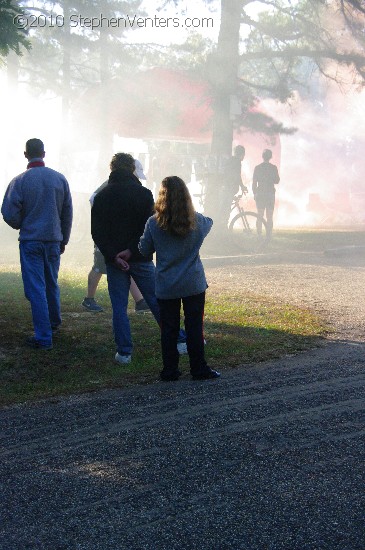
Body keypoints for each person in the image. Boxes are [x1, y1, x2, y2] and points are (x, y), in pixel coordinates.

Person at [91, 153, 186, 364]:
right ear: (132, 169)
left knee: (119, 307)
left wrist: (114, 255)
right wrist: (132, 250)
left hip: (114, 260)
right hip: (140, 257)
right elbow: (149, 227)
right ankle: (178, 340)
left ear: (112, 169)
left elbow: (97, 232)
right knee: (156, 300)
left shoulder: (102, 196)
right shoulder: (143, 194)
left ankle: (124, 352)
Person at [138, 176, 220, 382]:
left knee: (169, 329)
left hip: (167, 285)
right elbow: (210, 223)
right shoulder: (197, 221)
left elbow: (144, 249)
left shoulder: (153, 224)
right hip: (193, 283)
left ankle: (170, 370)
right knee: (194, 327)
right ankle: (198, 368)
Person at [1, 138, 72, 349]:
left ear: (26, 154)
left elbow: (8, 212)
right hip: (52, 240)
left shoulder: (20, 181)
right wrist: (63, 238)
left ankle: (43, 337)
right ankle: (53, 322)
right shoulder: (59, 179)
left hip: (31, 240)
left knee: (36, 288)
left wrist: (22, 223)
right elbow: (67, 213)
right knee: (51, 282)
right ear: (44, 152)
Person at [82, 159, 150, 314]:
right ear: (130, 170)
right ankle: (89, 299)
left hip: (116, 236)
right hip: (106, 236)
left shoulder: (128, 186)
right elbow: (93, 199)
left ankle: (139, 301)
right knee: (99, 266)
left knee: (125, 265)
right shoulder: (110, 185)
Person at [252, 149, 280, 241]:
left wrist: (255, 193)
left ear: (262, 156)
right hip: (270, 193)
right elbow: (277, 181)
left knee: (259, 215)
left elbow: (254, 183)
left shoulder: (257, 167)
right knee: (269, 216)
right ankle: (269, 235)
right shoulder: (273, 168)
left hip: (260, 193)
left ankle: (259, 234)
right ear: (270, 157)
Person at [218, 145, 248, 228]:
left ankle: (222, 224)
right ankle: (222, 226)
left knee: (224, 207)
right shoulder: (237, 161)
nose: (244, 157)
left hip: (226, 187)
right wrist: (242, 186)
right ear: (241, 154)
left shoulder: (230, 160)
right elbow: (237, 175)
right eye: (244, 154)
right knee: (226, 207)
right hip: (229, 187)